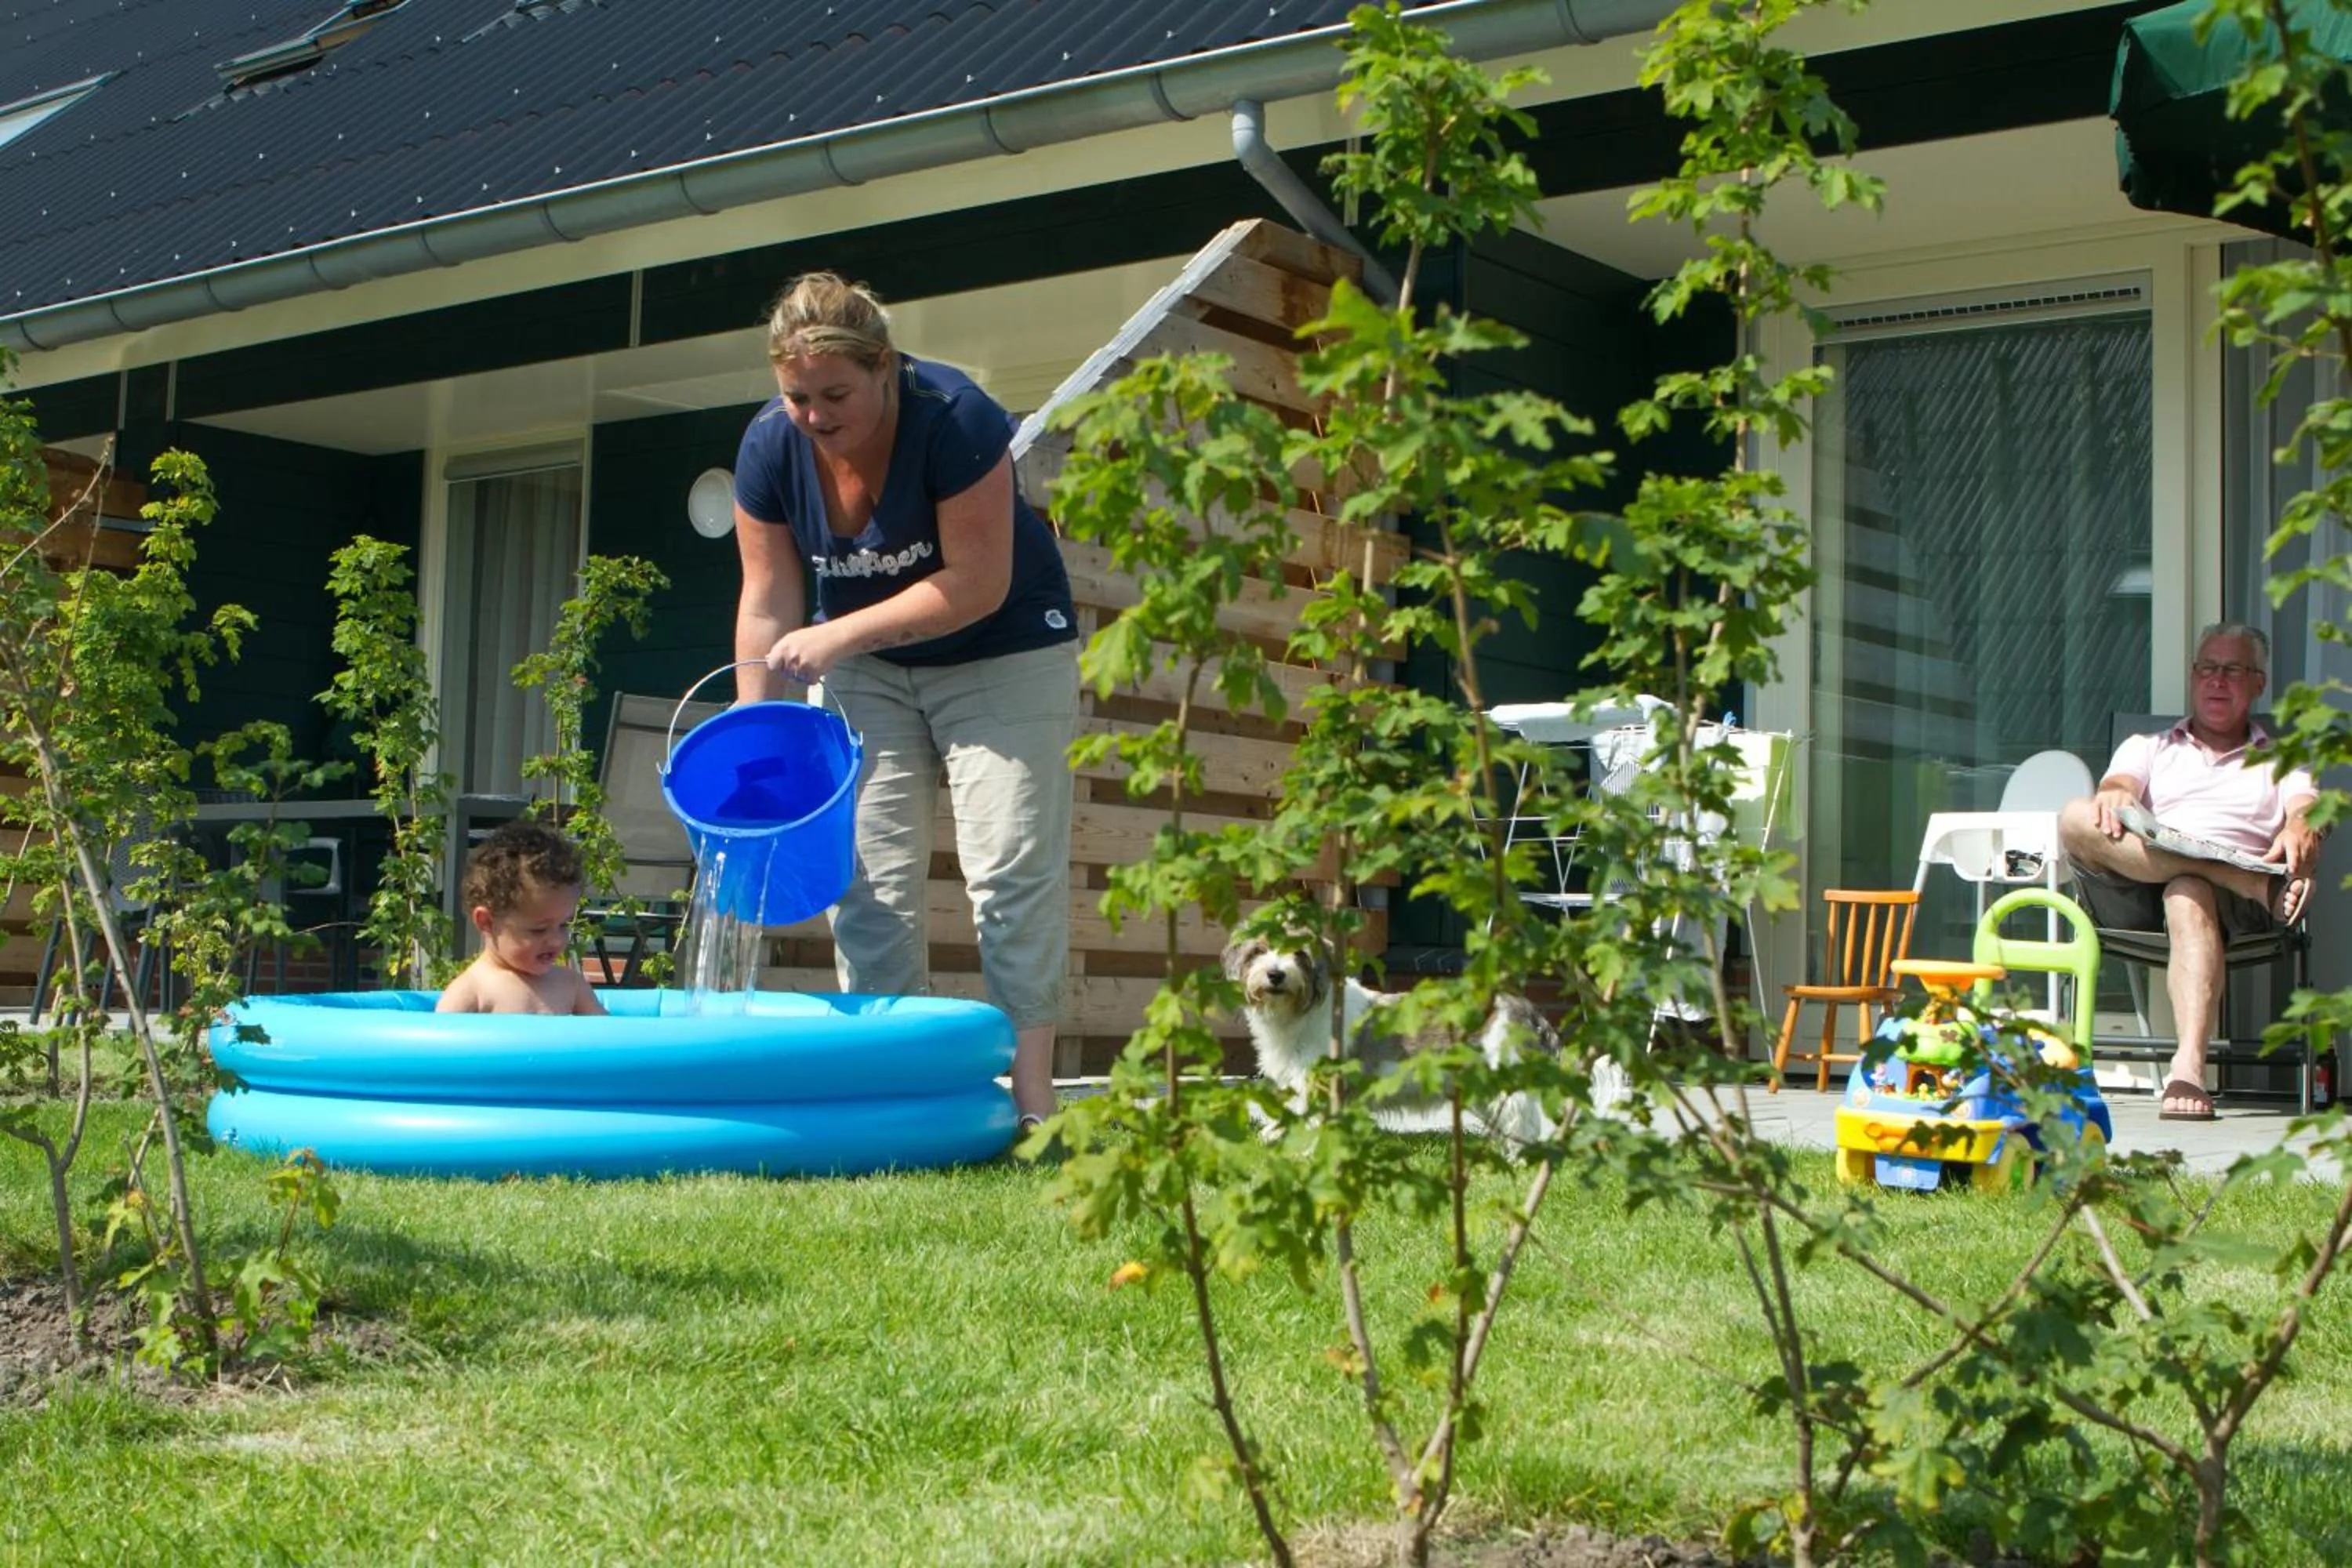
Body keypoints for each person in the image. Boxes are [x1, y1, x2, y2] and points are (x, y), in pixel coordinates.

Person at [731, 271, 1080, 1131]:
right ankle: (894, 1096)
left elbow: (977, 583)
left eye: (835, 395)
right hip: (868, 667)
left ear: (883, 366)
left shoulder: (955, 418)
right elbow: (768, 598)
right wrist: (756, 724)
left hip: (1003, 647)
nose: (814, 415)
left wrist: (837, 636)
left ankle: (1031, 1103)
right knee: (870, 883)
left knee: (1009, 870)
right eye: (798, 396)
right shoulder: (770, 447)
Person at [2057, 622, 2319, 1121]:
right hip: (2142, 889)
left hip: (2239, 908)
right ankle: (2227, 874)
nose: (2217, 680)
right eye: (2207, 668)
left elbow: (2306, 810)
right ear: (2193, 676)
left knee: (2188, 889)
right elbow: (2117, 788)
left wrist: (2302, 826)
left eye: (2233, 670)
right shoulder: (2148, 746)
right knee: (2074, 816)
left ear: (2259, 683)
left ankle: (2189, 1069)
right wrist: (2116, 791)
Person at [436, 820, 608, 1016]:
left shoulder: (571, 985)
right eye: (539, 930)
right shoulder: (473, 990)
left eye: (564, 925)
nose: (556, 941)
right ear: (487, 922)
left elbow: (611, 1033)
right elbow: (441, 1035)